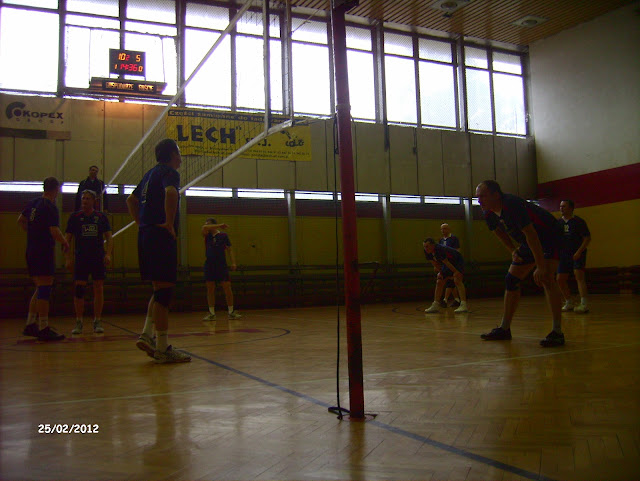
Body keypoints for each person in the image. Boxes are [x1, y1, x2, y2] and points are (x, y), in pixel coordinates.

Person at [476, 180, 564, 347]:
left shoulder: (512, 204)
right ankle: (504, 328)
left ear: (496, 195)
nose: (479, 200)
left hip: (550, 237)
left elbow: (531, 234)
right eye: (477, 197)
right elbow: (498, 232)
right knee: (511, 280)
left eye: (483, 196)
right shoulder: (488, 212)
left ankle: (557, 332)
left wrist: (540, 266)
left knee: (546, 278)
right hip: (529, 242)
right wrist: (513, 250)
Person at [126, 139, 190, 363]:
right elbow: (171, 193)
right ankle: (162, 348)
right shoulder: (169, 172)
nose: (180, 158)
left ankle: (147, 335)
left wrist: (141, 223)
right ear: (172, 154)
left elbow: (131, 200)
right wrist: (169, 223)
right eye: (179, 153)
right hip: (161, 235)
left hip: (146, 235)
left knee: (159, 289)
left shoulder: (149, 175)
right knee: (164, 293)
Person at [17, 177, 70, 341]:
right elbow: (54, 231)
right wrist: (65, 242)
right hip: (43, 251)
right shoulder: (50, 206)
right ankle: (43, 327)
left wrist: (33, 232)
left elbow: (21, 220)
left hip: (31, 250)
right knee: (45, 288)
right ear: (56, 189)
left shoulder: (33, 203)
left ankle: (30, 323)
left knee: (40, 287)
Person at [65, 189, 113, 334]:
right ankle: (79, 321)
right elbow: (67, 240)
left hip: (97, 258)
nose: (84, 201)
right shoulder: (75, 217)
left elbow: (109, 237)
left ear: (94, 201)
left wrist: (108, 254)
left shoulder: (101, 217)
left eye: (87, 199)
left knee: (98, 288)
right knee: (79, 289)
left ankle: (97, 320)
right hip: (81, 258)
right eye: (83, 198)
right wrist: (68, 258)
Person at [202, 218, 241, 321]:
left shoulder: (223, 236)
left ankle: (231, 312)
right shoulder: (207, 235)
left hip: (221, 265)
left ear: (213, 224)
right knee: (210, 288)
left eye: (209, 224)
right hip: (209, 265)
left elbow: (229, 250)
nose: (207, 226)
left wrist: (233, 262)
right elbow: (204, 227)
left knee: (227, 287)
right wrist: (220, 225)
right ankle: (211, 313)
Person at [556, 200, 591, 313]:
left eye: (564, 206)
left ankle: (584, 304)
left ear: (571, 208)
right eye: (560, 206)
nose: (561, 208)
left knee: (579, 277)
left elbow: (587, 238)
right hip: (564, 255)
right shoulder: (558, 223)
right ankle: (569, 302)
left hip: (577, 253)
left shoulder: (579, 222)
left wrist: (579, 252)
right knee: (560, 279)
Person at [423, 238, 468, 314]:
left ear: (433, 245)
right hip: (447, 263)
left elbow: (446, 262)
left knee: (457, 280)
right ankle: (435, 304)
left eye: (427, 246)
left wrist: (456, 272)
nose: (425, 248)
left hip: (457, 261)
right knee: (439, 281)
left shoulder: (439, 249)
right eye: (424, 246)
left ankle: (463, 304)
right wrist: (440, 273)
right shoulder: (427, 252)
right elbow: (435, 264)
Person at [438, 223, 461, 308]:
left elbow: (457, 251)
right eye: (441, 229)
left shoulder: (454, 239)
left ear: (449, 229)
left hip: (452, 263)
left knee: (450, 280)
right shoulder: (441, 240)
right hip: (444, 263)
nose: (443, 231)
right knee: (449, 280)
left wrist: (455, 261)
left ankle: (445, 299)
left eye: (444, 229)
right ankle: (457, 299)